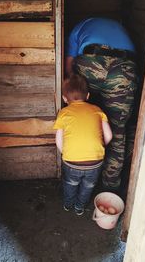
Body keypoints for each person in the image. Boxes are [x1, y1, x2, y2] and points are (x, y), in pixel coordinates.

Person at [65, 17, 138, 193]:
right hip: (125, 68)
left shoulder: (79, 26)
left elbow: (69, 62)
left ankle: (80, 167)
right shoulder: (121, 28)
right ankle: (110, 187)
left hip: (91, 62)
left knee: (80, 113)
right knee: (118, 129)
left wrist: (73, 83)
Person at [53, 74, 112, 215]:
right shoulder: (97, 110)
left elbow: (59, 139)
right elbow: (109, 136)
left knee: (70, 184)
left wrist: (65, 154)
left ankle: (68, 204)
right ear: (88, 96)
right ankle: (80, 207)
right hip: (95, 162)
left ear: (64, 99)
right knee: (88, 186)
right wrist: (98, 147)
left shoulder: (63, 113)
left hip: (72, 161)